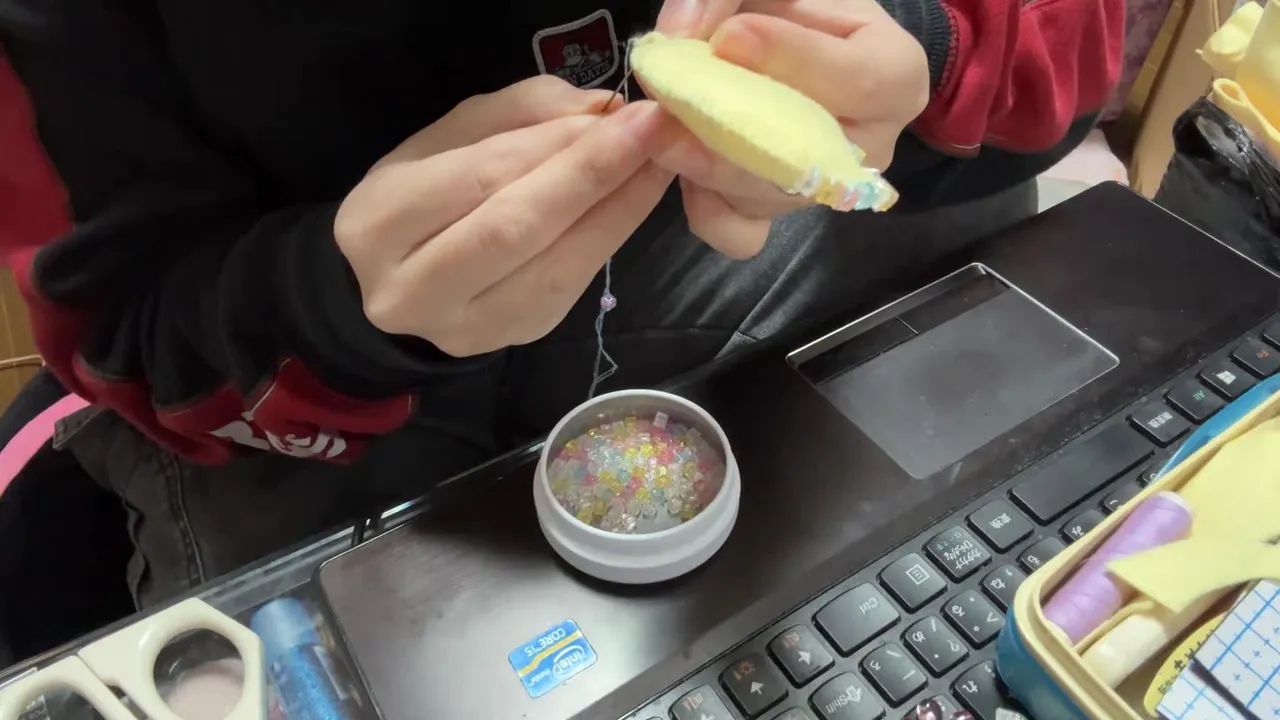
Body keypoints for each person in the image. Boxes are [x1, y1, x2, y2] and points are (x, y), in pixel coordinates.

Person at [0, 0, 1123, 609]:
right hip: (290, 377)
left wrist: (932, 45)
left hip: (732, 244)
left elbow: (1072, 40)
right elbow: (120, 320)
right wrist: (329, 302)